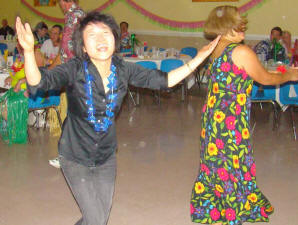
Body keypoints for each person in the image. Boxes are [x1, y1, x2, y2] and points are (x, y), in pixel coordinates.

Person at [16, 11, 219, 225]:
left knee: (98, 218)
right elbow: (40, 82)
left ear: (115, 39)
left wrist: (198, 59)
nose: (101, 39)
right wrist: (29, 51)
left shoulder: (123, 69)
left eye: (106, 33)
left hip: (106, 157)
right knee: (96, 219)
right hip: (75, 156)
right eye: (92, 34)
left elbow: (165, 80)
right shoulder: (75, 69)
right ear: (83, 46)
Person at [190, 5, 298, 225]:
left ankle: (212, 206)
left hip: (213, 116)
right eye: (237, 25)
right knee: (234, 161)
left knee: (215, 162)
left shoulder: (216, 47)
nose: (242, 29)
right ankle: (234, 208)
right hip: (230, 119)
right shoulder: (240, 51)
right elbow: (265, 79)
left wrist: (280, 73)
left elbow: (249, 72)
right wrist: (289, 75)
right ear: (225, 26)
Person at [48, 0, 85, 168]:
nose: (60, 5)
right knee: (78, 118)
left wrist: (50, 72)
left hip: (75, 75)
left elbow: (65, 52)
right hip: (83, 73)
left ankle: (67, 158)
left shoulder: (72, 17)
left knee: (73, 119)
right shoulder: (81, 14)